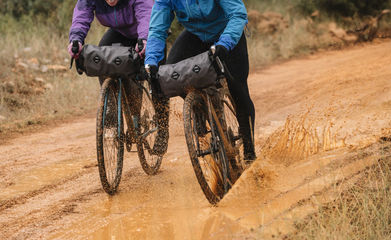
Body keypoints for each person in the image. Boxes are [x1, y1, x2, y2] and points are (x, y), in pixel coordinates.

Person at [145, 0, 256, 162]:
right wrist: (151, 61)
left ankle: (249, 151)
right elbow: (157, 29)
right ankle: (201, 106)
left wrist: (225, 43)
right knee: (172, 74)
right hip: (196, 35)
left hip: (227, 32)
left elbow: (238, 14)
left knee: (238, 89)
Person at [68, 0, 169, 155]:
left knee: (156, 78)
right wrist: (76, 39)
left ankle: (163, 130)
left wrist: (144, 38)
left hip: (150, 30)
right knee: (101, 58)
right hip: (120, 32)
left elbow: (145, 13)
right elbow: (82, 13)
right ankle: (112, 108)